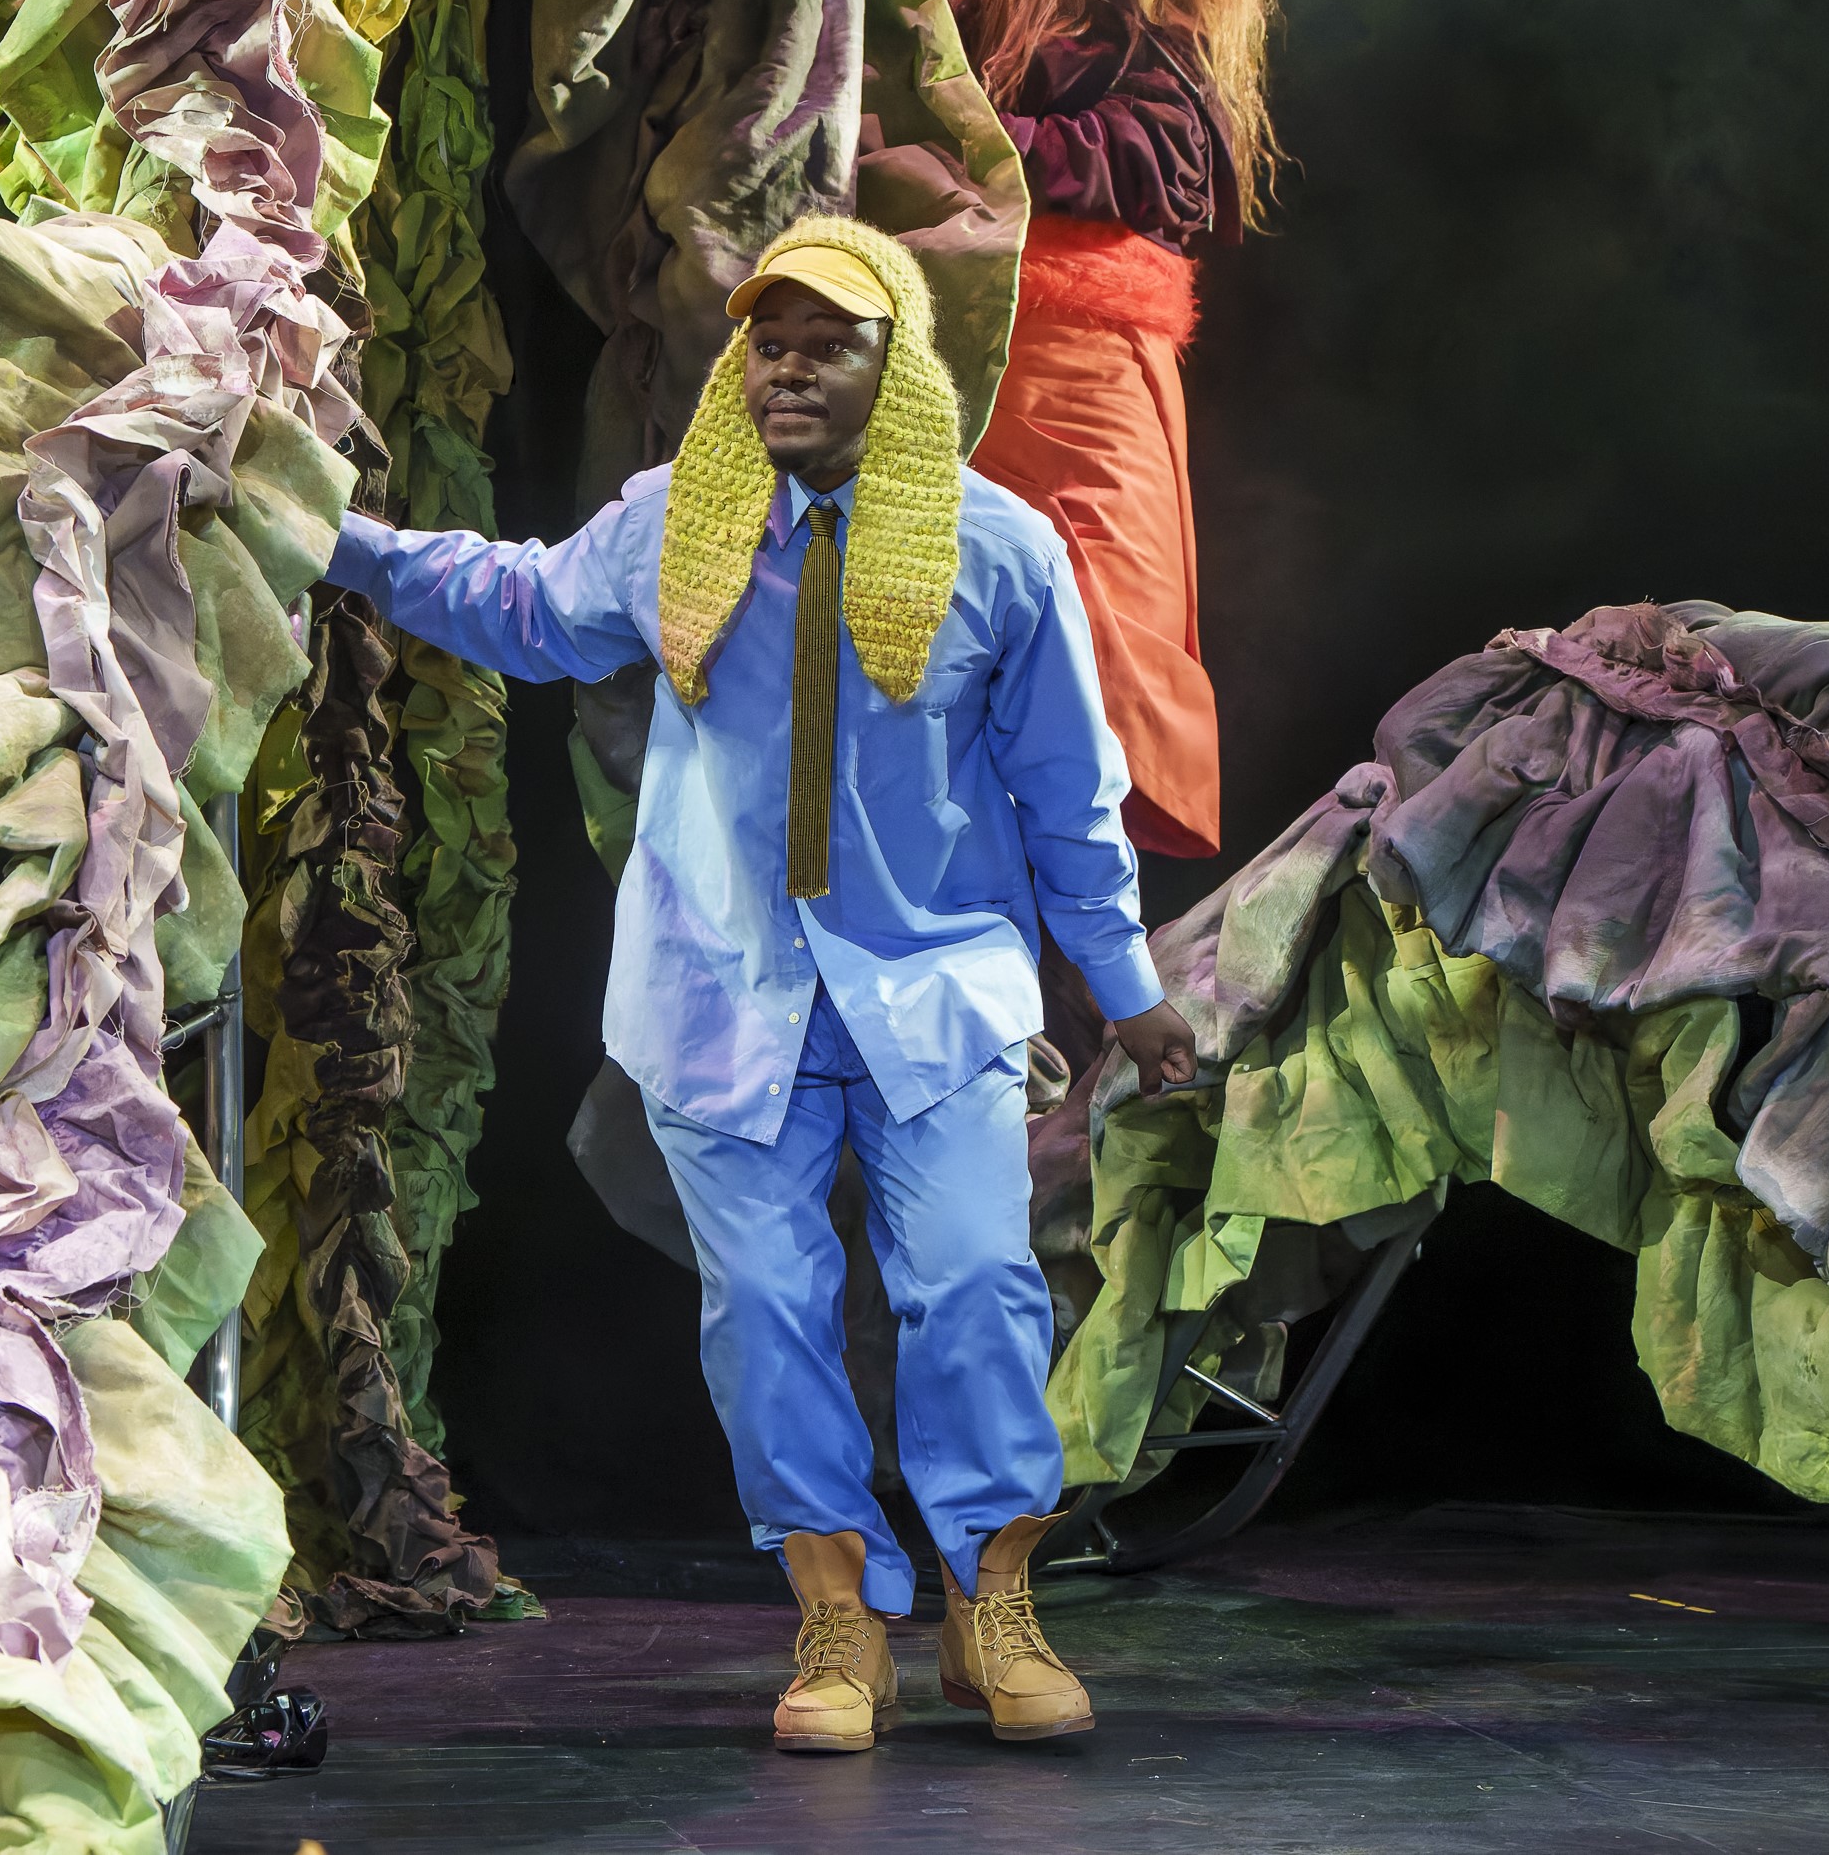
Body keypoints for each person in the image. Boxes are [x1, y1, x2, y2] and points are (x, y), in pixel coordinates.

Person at [323, 214, 1200, 1754]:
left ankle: (991, 1600)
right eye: (768, 343)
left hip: (931, 989)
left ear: (894, 362)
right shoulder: (683, 522)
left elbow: (1070, 789)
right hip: (725, 992)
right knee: (768, 1311)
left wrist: (1126, 984)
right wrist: (325, 534)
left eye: (827, 343)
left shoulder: (998, 547)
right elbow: (520, 603)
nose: (788, 369)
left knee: (976, 1283)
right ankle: (838, 1616)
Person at [842, 0, 1282, 862]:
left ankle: (1079, 935)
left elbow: (1115, 160)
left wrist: (936, 130)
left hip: (1088, 382)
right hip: (965, 357)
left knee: (1095, 654)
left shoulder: (1175, 35)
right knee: (957, 650)